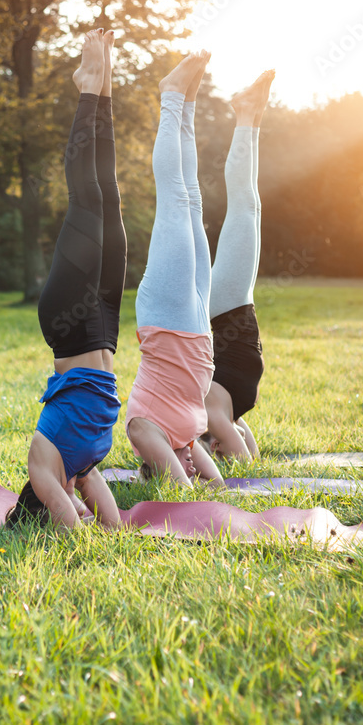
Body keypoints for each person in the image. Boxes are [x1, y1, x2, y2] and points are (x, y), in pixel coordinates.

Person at [7, 29, 127, 530]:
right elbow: (111, 521)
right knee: (109, 200)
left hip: (68, 321)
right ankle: (104, 90)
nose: (76, 501)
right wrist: (109, 531)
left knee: (84, 200)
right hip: (102, 330)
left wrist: (73, 525)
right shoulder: (82, 465)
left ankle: (88, 85)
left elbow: (69, 519)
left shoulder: (43, 468)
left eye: (63, 501)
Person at [125, 51, 225, 488]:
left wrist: (175, 474)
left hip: (167, 320)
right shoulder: (186, 436)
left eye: (177, 468)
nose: (190, 469)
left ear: (154, 467)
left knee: (176, 200)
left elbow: (186, 490)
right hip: (196, 325)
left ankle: (170, 97)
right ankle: (188, 105)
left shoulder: (143, 431)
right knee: (194, 199)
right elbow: (217, 485)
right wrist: (191, 461)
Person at [201, 69, 275, 462]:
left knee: (244, 206)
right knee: (251, 206)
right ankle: (253, 118)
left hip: (227, 311)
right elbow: (252, 455)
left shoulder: (212, 414)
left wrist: (231, 463)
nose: (226, 445)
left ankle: (245, 116)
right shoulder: (230, 415)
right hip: (235, 310)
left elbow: (246, 466)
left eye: (218, 450)